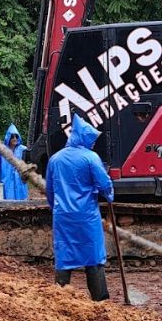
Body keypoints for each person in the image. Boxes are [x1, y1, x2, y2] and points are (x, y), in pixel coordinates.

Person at [46, 114, 114, 301]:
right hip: (86, 217)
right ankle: (100, 299)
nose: (92, 144)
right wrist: (109, 195)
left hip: (63, 217)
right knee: (93, 257)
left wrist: (55, 209)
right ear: (83, 138)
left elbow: (50, 191)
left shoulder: (55, 159)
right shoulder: (91, 158)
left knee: (64, 255)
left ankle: (60, 298)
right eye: (90, 140)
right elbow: (104, 184)